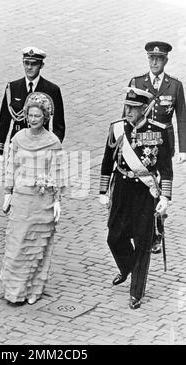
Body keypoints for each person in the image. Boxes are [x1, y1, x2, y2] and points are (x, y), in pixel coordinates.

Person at [99, 87, 173, 309]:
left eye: (133, 108)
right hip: (121, 188)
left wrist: (166, 197)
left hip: (144, 192)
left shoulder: (158, 131)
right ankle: (126, 267)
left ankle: (136, 292)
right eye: (127, 107)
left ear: (145, 109)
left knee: (143, 242)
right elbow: (106, 161)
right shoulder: (117, 128)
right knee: (114, 237)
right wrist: (103, 191)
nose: (128, 111)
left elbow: (166, 169)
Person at [0, 92, 66, 305]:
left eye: (37, 116)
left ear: (45, 117)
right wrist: (8, 192)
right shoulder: (18, 139)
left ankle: (33, 289)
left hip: (42, 201)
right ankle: (13, 290)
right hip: (21, 200)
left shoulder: (53, 142)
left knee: (37, 246)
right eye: (30, 115)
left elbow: (57, 172)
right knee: (17, 245)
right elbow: (11, 167)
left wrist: (57, 200)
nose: (33, 119)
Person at [127, 41, 186, 254]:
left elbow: (182, 118)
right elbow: (127, 114)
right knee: (139, 183)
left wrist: (182, 149)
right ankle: (138, 224)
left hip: (162, 145)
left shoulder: (175, 85)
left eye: (159, 59)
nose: (154, 62)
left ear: (165, 61)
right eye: (151, 58)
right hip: (139, 142)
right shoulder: (137, 82)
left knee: (158, 186)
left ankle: (156, 230)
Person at [0, 47, 65, 162]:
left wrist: (53, 147)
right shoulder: (12, 88)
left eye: (34, 64)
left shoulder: (52, 90)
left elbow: (59, 125)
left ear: (41, 65)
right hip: (17, 143)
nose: (29, 67)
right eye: (26, 63)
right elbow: (4, 120)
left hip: (41, 144)